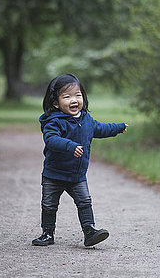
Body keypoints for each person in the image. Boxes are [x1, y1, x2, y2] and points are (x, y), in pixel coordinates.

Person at [32, 74, 128, 247]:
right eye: (67, 97)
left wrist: (118, 128)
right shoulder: (54, 122)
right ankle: (47, 233)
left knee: (84, 202)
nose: (74, 100)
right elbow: (51, 139)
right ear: (56, 103)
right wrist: (69, 145)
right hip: (54, 174)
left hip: (77, 175)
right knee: (49, 204)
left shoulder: (86, 120)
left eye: (78, 95)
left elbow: (101, 129)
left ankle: (90, 231)